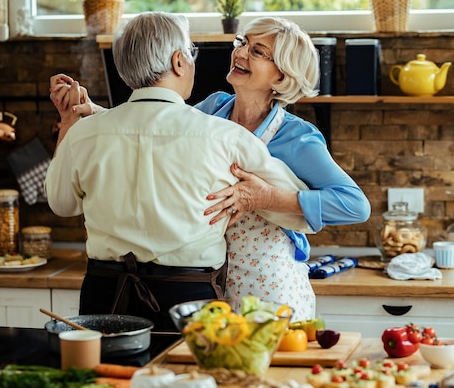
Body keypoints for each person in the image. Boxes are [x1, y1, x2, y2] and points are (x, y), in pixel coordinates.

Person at [50, 17, 371, 321]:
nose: (241, 52)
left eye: (257, 51)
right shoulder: (215, 107)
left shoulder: (297, 137)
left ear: (281, 77)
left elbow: (354, 204)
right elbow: (162, 126)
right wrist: (97, 113)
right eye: (243, 42)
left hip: (266, 281)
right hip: (211, 277)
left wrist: (266, 197)